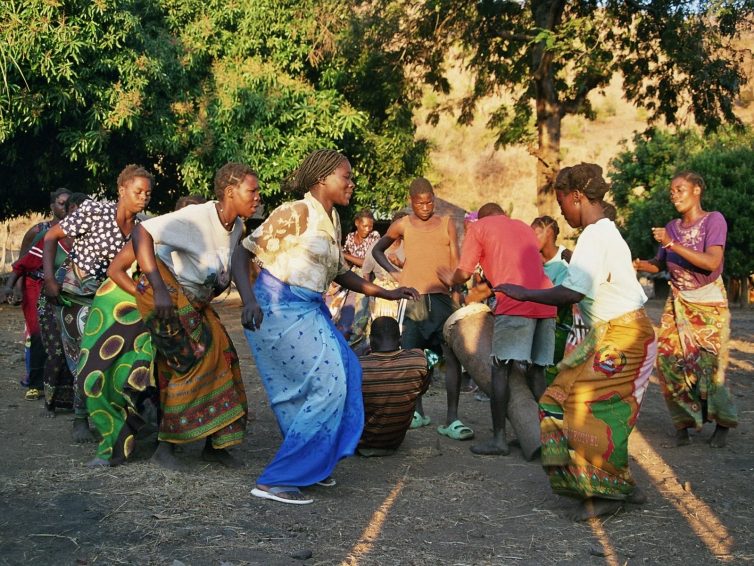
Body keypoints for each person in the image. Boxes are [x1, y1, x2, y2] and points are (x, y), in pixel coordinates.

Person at [232, 149, 418, 505]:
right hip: (278, 305)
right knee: (329, 383)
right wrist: (249, 301)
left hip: (308, 307)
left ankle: (311, 464)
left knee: (346, 372)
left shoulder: (330, 219)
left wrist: (386, 292)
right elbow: (244, 252)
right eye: (345, 177)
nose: (351, 183)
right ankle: (278, 479)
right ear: (322, 179)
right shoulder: (296, 212)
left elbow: (338, 273)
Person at [497, 163, 657, 521]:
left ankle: (609, 492)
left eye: (562, 203)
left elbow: (570, 293)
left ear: (577, 197)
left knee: (593, 411)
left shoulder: (594, 236)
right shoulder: (603, 233)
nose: (561, 212)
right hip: (610, 334)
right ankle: (617, 484)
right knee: (556, 401)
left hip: (625, 336)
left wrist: (522, 293)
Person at [130, 163, 260, 471]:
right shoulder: (196, 218)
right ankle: (166, 448)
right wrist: (159, 289)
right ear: (230, 192)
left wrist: (249, 300)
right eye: (252, 191)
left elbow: (238, 262)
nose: (258, 198)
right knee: (192, 360)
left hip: (193, 301)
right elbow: (142, 232)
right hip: (164, 293)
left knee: (225, 356)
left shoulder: (237, 226)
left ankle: (215, 445)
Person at [43, 165, 153, 442]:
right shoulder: (96, 211)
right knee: (83, 357)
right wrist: (49, 279)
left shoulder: (141, 229)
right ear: (122, 190)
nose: (143, 198)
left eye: (148, 194)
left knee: (111, 356)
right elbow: (50, 236)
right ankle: (81, 420)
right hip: (75, 295)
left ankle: (115, 415)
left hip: (110, 300)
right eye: (138, 191)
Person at [439, 203, 556, 456]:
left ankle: (499, 440)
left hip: (516, 304)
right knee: (537, 375)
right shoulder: (523, 227)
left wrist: (450, 278)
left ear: (481, 218)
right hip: (546, 302)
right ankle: (554, 439)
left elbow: (464, 272)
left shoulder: (480, 227)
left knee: (499, 371)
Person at [633, 171, 737, 448]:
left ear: (697, 191)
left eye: (680, 189)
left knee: (710, 366)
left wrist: (670, 243)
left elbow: (711, 263)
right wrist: (640, 265)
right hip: (679, 302)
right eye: (672, 191)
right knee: (669, 361)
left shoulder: (713, 221)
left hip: (709, 301)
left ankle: (722, 422)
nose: (674, 195)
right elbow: (662, 263)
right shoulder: (672, 226)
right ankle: (685, 422)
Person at [372, 178, 471, 440]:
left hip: (441, 300)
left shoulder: (447, 223)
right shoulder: (403, 224)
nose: (426, 207)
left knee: (452, 357)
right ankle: (416, 412)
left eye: (430, 202)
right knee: (412, 356)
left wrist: (457, 294)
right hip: (413, 299)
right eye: (420, 203)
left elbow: (455, 262)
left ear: (435, 199)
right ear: (411, 201)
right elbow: (378, 249)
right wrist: (394, 273)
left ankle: (452, 418)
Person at [0, 193, 89, 413]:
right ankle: (49, 397)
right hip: (49, 302)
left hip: (78, 303)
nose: (81, 217)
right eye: (76, 212)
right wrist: (10, 286)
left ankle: (74, 402)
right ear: (67, 212)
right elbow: (22, 264)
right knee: (56, 350)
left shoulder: (92, 240)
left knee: (78, 351)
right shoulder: (51, 237)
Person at [357, 316, 429, 457]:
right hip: (394, 441)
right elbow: (422, 390)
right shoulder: (419, 360)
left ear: (371, 339)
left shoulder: (359, 365)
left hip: (361, 442)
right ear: (400, 339)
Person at [327, 209, 381, 352]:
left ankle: (355, 345)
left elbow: (366, 263)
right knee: (333, 303)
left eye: (370, 226)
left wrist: (345, 255)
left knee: (361, 313)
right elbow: (344, 260)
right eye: (365, 226)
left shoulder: (374, 237)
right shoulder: (350, 237)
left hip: (365, 278)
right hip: (350, 276)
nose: (369, 229)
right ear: (357, 223)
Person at [361, 211, 406, 320]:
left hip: (403, 291)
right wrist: (369, 296)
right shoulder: (375, 246)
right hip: (382, 292)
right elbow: (366, 272)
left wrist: (400, 264)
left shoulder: (409, 247)